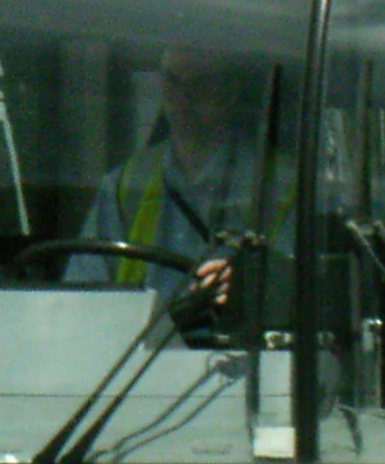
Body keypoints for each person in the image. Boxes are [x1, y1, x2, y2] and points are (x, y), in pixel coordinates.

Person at [66, 46, 292, 304]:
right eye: (172, 82)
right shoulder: (125, 184)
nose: (183, 97)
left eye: (201, 84)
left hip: (236, 342)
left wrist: (249, 283)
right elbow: (82, 294)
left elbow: (298, 290)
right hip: (142, 342)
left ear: (230, 92)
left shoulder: (282, 186)